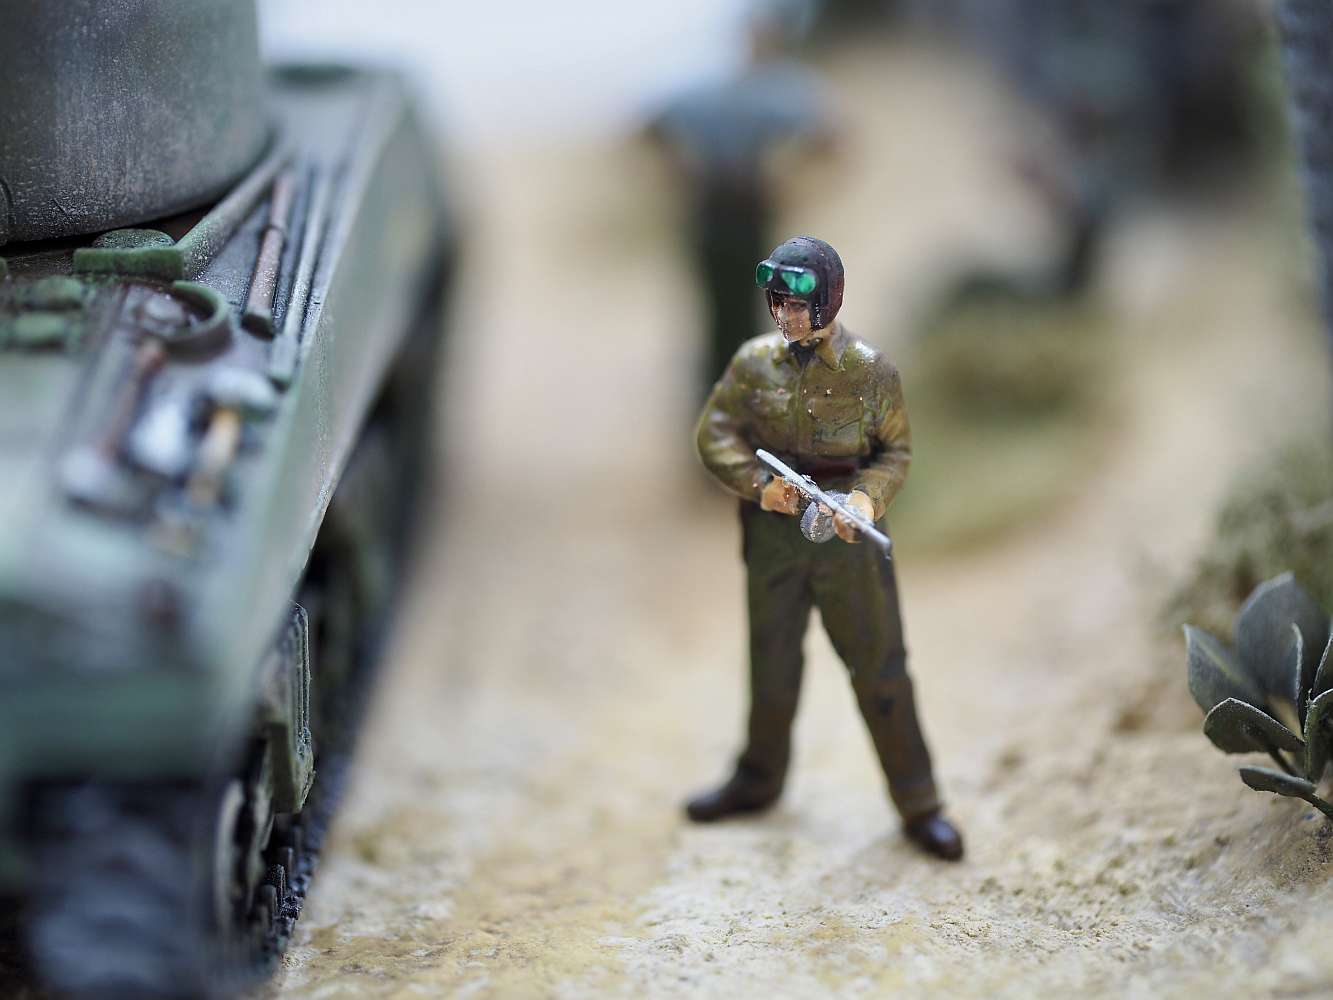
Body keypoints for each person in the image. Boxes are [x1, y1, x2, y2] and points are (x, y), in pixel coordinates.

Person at [688, 235, 964, 861]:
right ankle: (758, 779)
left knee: (880, 669)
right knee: (771, 666)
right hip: (773, 538)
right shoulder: (753, 365)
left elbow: (895, 453)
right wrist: (760, 486)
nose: (783, 316)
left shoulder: (870, 371)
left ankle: (919, 802)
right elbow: (714, 435)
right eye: (777, 303)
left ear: (826, 303)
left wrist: (865, 501)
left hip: (846, 542)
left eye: (794, 305)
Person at [646, 0, 836, 399]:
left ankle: (729, 401)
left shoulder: (767, 91)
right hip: (726, 212)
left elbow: (829, 141)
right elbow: (831, 140)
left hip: (734, 211)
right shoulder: (772, 93)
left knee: (736, 311)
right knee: (730, 311)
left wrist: (791, 184)